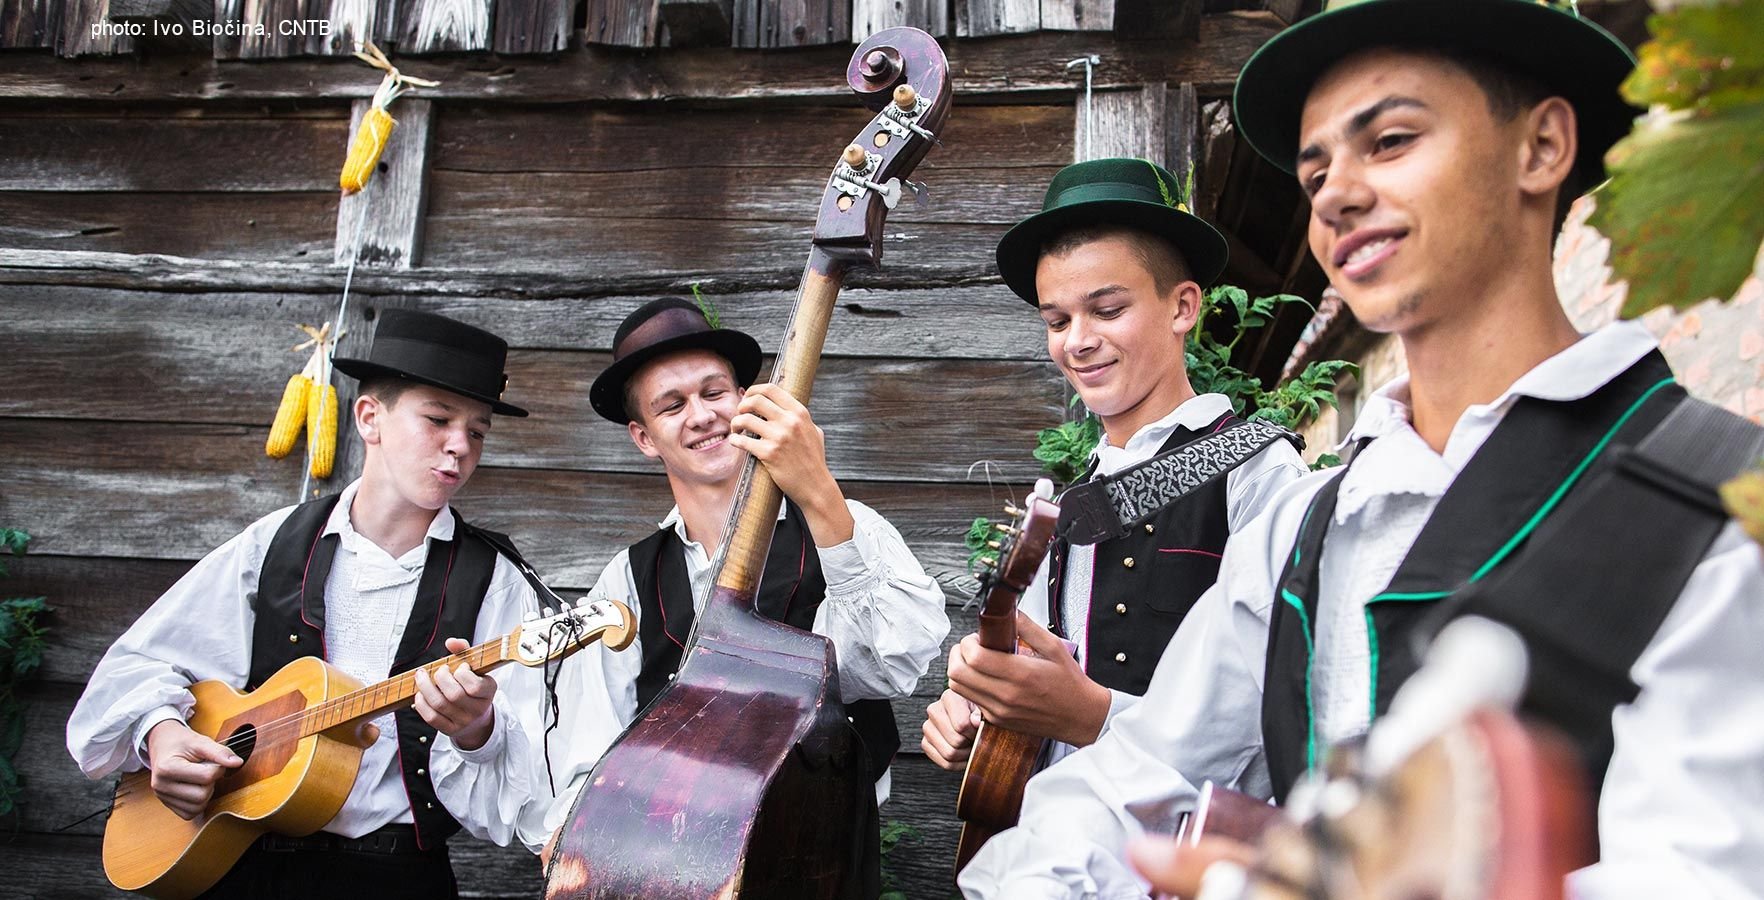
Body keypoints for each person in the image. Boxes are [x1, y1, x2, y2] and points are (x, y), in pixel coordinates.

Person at [960, 1, 1764, 897]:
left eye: (1389, 141)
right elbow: (1136, 776)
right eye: (1315, 174)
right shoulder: (1309, 525)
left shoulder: (1727, 506)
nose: (1335, 195)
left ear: (1541, 147)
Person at [430, 296, 949, 862]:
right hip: (681, 866)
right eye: (672, 405)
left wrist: (818, 488)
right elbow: (586, 744)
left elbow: (890, 663)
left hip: (828, 860)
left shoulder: (841, 523)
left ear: (744, 400)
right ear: (644, 437)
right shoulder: (626, 582)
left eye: (714, 392)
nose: (701, 416)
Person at [68, 309, 548, 898]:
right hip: (239, 862)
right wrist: (162, 732)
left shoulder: (498, 581)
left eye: (477, 432)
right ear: (369, 418)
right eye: (438, 419)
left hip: (395, 878)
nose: (459, 447)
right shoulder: (273, 544)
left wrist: (477, 729)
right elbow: (134, 668)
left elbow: (528, 785)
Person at [920, 158, 1306, 782]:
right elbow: (1037, 688)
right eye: (1057, 321)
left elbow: (1288, 712)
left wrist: (1096, 718)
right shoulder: (1069, 507)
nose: (1077, 341)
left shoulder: (1258, 471)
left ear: (1182, 307)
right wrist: (982, 715)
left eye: (1106, 309)